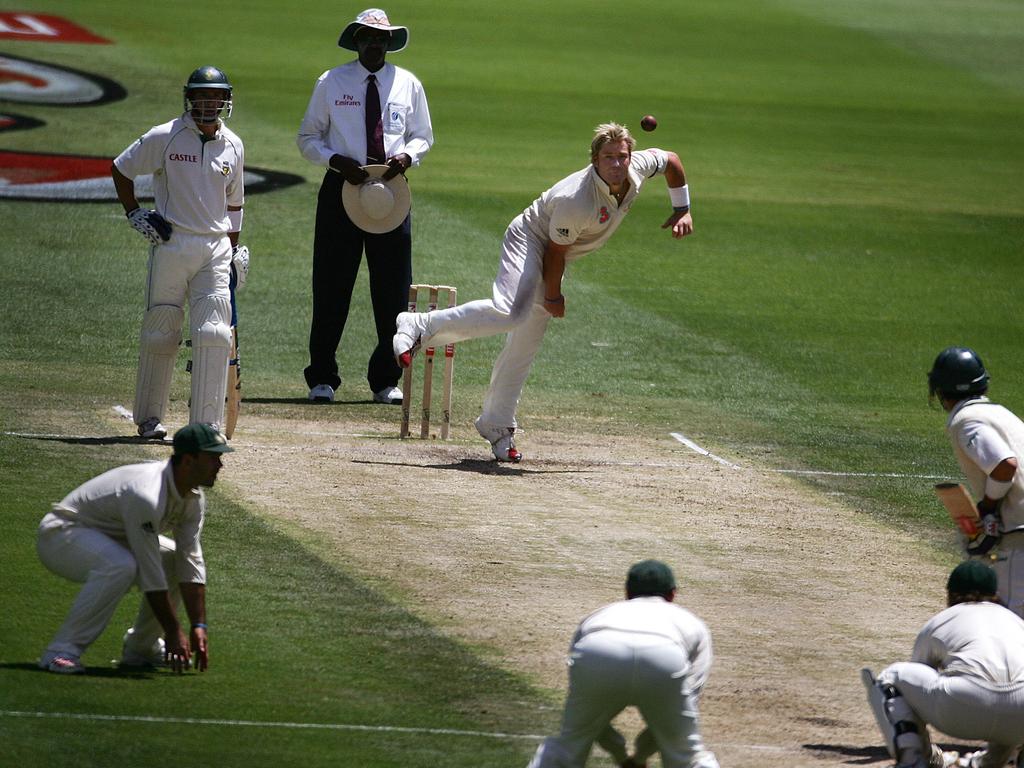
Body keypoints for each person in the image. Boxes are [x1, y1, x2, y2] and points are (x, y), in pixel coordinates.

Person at [394, 122, 693, 462]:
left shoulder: (637, 166)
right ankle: (419, 325)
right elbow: (554, 252)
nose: (617, 164)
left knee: (525, 343)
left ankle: (496, 424)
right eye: (608, 157)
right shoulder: (576, 199)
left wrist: (682, 208)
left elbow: (671, 161)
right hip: (530, 241)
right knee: (511, 312)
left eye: (622, 156)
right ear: (594, 160)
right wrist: (552, 296)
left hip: (554, 251)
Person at [297, 7, 433, 406]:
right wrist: (335, 161)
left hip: (391, 191)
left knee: (392, 289)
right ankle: (321, 377)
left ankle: (386, 380)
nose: (375, 44)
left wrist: (407, 158)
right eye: (367, 37)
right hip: (342, 189)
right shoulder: (332, 80)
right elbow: (308, 137)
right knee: (331, 284)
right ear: (355, 41)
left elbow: (423, 136)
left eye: (381, 38)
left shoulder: (408, 83)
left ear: (389, 43)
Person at [112, 65, 249, 439]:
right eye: (202, 96)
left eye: (215, 96)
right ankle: (150, 419)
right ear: (190, 99)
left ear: (225, 100)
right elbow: (121, 168)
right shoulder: (166, 137)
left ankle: (205, 426)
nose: (209, 103)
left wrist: (235, 250)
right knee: (162, 333)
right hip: (172, 244)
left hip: (215, 249)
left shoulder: (233, 144)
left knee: (214, 333)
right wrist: (135, 212)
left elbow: (234, 204)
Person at [36, 423, 232, 674]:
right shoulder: (146, 495)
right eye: (213, 458)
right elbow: (151, 574)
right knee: (119, 565)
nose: (220, 465)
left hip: (112, 538)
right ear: (188, 460)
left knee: (172, 559)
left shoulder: (192, 498)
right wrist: (174, 631)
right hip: (61, 535)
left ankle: (142, 647)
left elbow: (190, 560)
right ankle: (61, 651)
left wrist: (198, 625)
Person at [526, 560, 719, 768]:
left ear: (627, 592)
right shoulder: (692, 623)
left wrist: (621, 755)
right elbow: (684, 702)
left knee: (567, 746)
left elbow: (589, 717)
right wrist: (639, 758)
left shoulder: (598, 616)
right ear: (672, 594)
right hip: (665, 656)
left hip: (599, 650)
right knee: (688, 756)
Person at [862, 561, 1024, 768]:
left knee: (892, 677)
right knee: (1016, 696)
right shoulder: (1016, 621)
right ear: (994, 594)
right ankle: (989, 763)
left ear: (951, 594)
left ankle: (915, 759)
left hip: (960, 710)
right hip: (1020, 718)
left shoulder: (942, 620)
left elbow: (917, 684)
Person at [928, 346, 1024, 618]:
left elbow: (1004, 466)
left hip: (1020, 539)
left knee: (1013, 627)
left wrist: (989, 506)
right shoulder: (1001, 414)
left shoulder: (967, 420)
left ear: (941, 391)